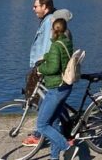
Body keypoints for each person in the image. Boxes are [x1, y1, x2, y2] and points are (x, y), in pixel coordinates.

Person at [24, 0, 73, 147]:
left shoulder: (50, 22)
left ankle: (43, 135)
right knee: (54, 103)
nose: (33, 9)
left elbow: (49, 47)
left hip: (47, 69)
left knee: (48, 102)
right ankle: (65, 131)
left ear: (45, 7)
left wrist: (40, 68)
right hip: (49, 68)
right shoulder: (48, 21)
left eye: (36, 6)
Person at [36, 17, 78, 160]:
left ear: (54, 29)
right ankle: (54, 157)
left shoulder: (55, 45)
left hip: (56, 88)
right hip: (66, 87)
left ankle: (68, 148)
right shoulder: (66, 42)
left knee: (42, 125)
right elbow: (59, 56)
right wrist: (46, 56)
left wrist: (40, 68)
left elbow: (53, 67)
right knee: (53, 123)